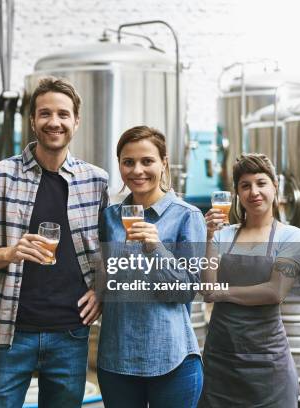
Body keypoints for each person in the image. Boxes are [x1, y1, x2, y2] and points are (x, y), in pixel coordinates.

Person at [0, 76, 109, 408]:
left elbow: (108, 247)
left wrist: (101, 290)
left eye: (63, 114)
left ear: (76, 121)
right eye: (45, 113)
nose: (54, 122)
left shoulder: (96, 180)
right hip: (10, 328)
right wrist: (10, 251)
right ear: (32, 120)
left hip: (71, 330)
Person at [96, 126, 205, 408]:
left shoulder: (186, 216)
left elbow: (187, 290)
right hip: (116, 357)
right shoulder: (109, 218)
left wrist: (156, 248)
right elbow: (105, 275)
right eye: (128, 162)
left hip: (171, 358)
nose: (137, 170)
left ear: (164, 163)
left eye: (147, 161)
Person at [198, 153, 300, 407]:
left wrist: (222, 292)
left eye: (261, 183)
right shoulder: (224, 235)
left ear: (274, 186)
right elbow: (206, 286)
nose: (254, 192)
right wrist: (209, 236)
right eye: (245, 186)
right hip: (221, 361)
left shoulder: (291, 235)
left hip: (268, 363)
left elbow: (275, 292)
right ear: (236, 193)